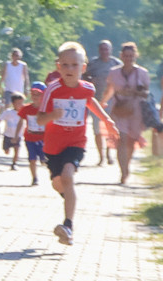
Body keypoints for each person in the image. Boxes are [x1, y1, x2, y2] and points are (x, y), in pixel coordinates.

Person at [37, 42, 118, 246]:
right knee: (59, 183)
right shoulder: (52, 90)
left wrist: (107, 120)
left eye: (75, 65)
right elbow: (39, 120)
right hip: (53, 146)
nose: (69, 69)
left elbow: (91, 102)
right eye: (65, 65)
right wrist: (53, 115)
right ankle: (68, 198)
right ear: (58, 67)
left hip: (76, 142)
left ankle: (68, 226)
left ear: (83, 68)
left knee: (67, 175)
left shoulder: (86, 88)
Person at [103, 42, 162, 184]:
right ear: (121, 56)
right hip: (119, 108)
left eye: (131, 56)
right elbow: (109, 90)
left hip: (136, 110)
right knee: (121, 139)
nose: (128, 58)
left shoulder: (142, 73)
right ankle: (123, 171)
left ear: (135, 56)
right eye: (126, 55)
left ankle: (127, 165)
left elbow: (146, 93)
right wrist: (102, 102)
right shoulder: (114, 72)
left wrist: (134, 92)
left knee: (131, 141)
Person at [83, 40, 121, 166]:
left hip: (113, 102)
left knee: (110, 128)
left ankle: (110, 154)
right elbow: (83, 77)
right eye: (102, 49)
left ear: (111, 50)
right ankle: (101, 156)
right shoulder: (92, 64)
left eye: (106, 49)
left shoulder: (117, 64)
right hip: (95, 101)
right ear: (99, 50)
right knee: (97, 130)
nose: (104, 51)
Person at [16, 82, 47, 186]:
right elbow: (21, 121)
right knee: (32, 159)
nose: (35, 97)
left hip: (44, 139)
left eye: (38, 94)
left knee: (44, 160)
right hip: (30, 138)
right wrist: (16, 135)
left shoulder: (47, 109)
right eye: (33, 94)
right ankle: (34, 178)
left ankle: (53, 176)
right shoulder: (26, 109)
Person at [0, 92, 24, 171]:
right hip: (8, 135)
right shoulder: (8, 112)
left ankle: (14, 163)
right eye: (18, 103)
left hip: (18, 135)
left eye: (21, 103)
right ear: (13, 103)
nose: (20, 105)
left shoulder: (23, 113)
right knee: (6, 151)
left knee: (17, 149)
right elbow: (0, 119)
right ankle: (6, 149)